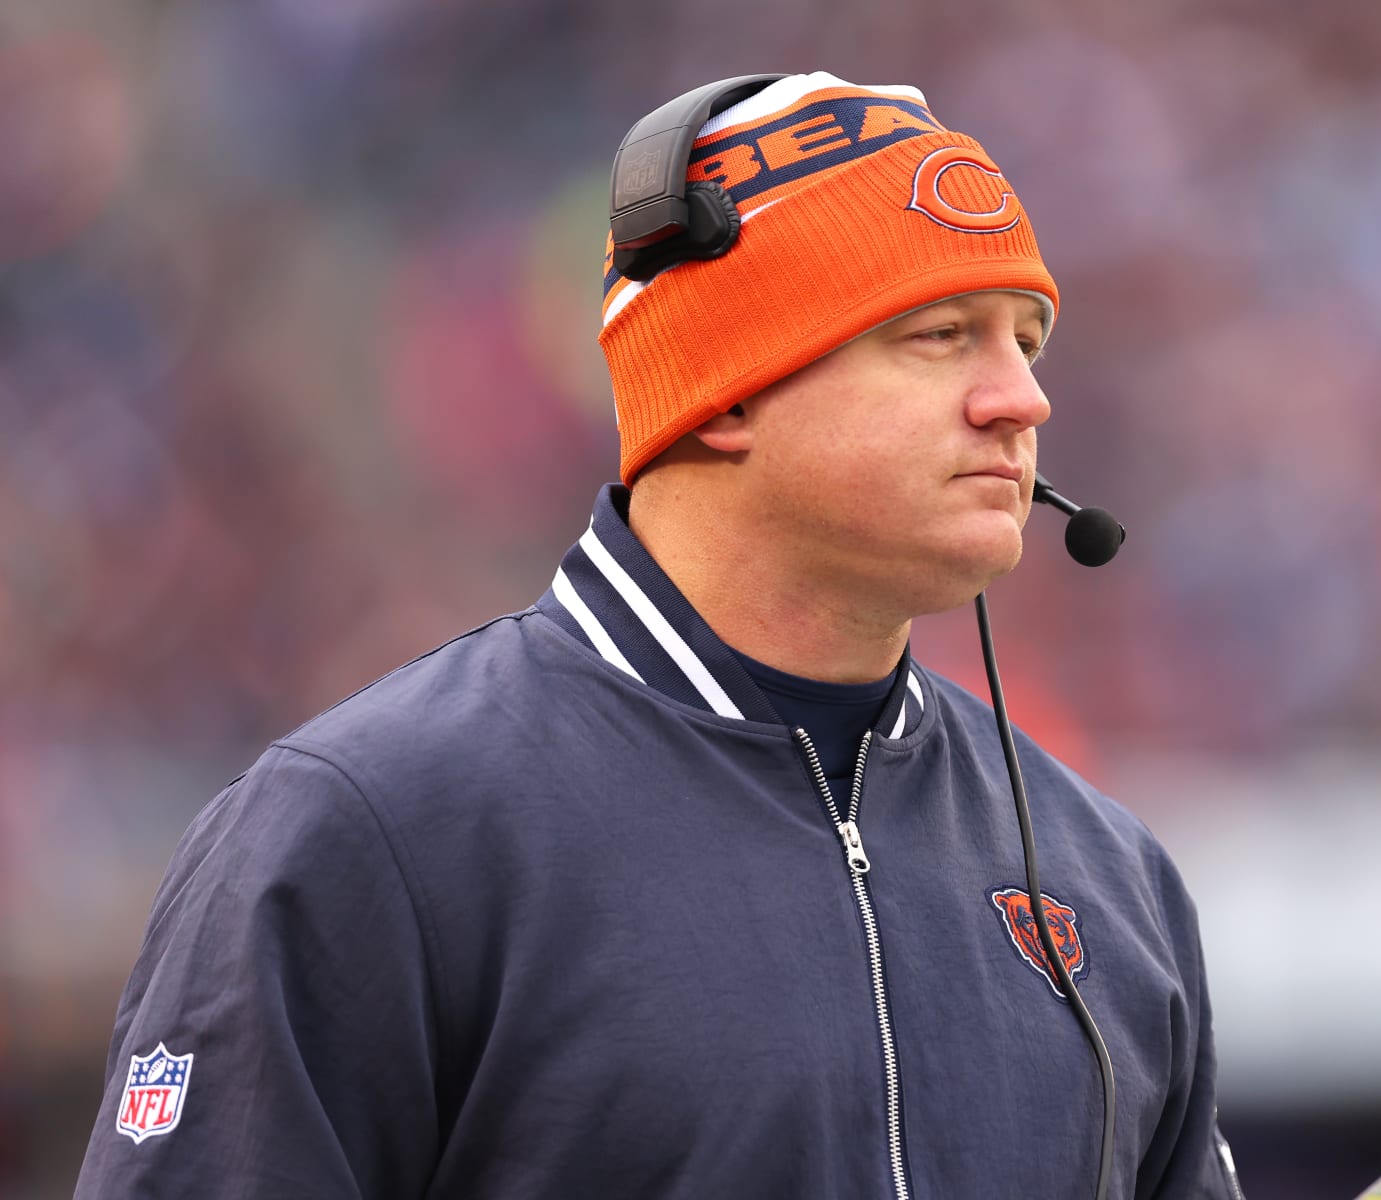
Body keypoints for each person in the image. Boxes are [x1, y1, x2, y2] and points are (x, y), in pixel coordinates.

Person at [75, 71, 1243, 1198]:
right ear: (726, 390)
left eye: (1025, 340)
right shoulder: (370, 829)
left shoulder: (1108, 874)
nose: (1022, 399)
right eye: (941, 335)